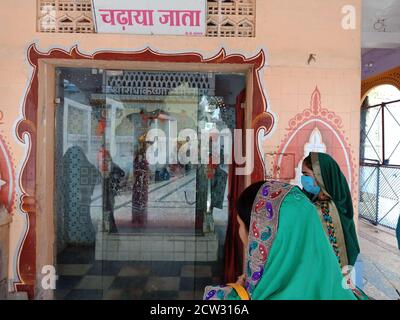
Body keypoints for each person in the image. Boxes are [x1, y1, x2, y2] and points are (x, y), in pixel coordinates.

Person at [204, 180, 362, 300]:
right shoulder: (350, 293)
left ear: (257, 237)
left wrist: (239, 291)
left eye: (240, 225)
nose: (239, 233)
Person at [301, 152, 360, 268]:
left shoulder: (326, 210)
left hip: (328, 273)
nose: (303, 179)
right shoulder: (319, 198)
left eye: (306, 174)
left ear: (320, 177)